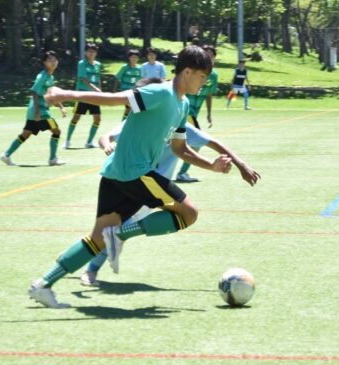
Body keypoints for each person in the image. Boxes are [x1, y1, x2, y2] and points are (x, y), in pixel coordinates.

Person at [26, 45, 235, 309]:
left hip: (115, 174)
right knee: (189, 213)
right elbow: (117, 98)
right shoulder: (161, 92)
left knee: (97, 239)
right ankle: (121, 234)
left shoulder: (182, 105)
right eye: (202, 76)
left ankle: (43, 285)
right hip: (136, 172)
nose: (204, 83)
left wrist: (212, 166)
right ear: (187, 72)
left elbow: (179, 149)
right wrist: (66, 94)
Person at [80, 80, 259, 287]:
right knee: (113, 232)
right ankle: (89, 270)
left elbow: (212, 143)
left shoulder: (178, 123)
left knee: (118, 232)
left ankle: (84, 265)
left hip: (158, 189)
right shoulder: (140, 120)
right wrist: (107, 145)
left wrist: (240, 164)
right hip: (134, 182)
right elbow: (106, 136)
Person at [0, 51, 67, 166]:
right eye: (50, 60)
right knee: (56, 131)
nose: (53, 62)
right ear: (44, 62)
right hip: (41, 112)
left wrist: (61, 107)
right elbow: (34, 92)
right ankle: (52, 159)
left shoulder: (50, 77)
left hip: (36, 111)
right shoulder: (42, 76)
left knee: (25, 134)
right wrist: (37, 111)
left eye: (55, 60)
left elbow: (52, 94)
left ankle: (6, 155)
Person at [175, 45, 219, 183]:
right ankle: (182, 173)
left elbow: (209, 95)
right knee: (197, 141)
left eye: (212, 56)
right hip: (187, 111)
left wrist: (209, 114)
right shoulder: (193, 72)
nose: (209, 58)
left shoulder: (214, 76)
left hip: (194, 113)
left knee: (181, 142)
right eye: (206, 55)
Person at [65, 42, 103, 149]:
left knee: (97, 119)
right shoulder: (82, 63)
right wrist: (95, 89)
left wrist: (100, 91)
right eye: (89, 51)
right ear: (85, 52)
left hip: (95, 96)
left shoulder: (98, 64)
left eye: (93, 51)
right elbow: (84, 79)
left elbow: (98, 78)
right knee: (76, 118)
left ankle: (89, 142)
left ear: (96, 53)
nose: (91, 53)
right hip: (83, 95)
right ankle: (67, 141)